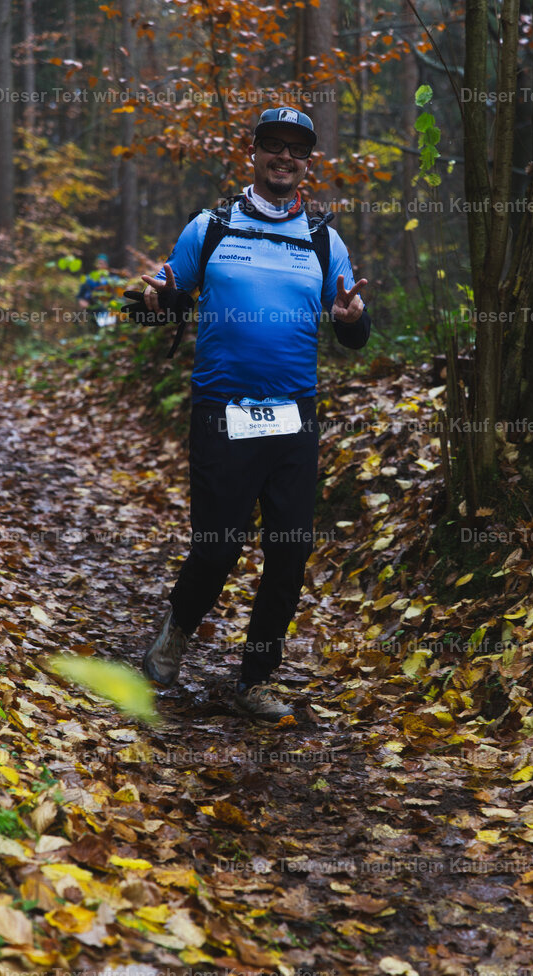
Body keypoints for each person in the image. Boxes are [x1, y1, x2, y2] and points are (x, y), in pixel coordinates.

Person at [138, 107, 371, 720]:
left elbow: (353, 328)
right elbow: (162, 300)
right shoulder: (211, 227)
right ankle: (176, 632)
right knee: (217, 548)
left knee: (289, 552)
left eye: (297, 149)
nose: (284, 157)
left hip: (294, 416)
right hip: (222, 412)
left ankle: (256, 680)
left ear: (307, 162)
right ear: (255, 153)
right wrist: (153, 302)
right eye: (274, 144)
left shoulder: (323, 239)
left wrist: (352, 318)